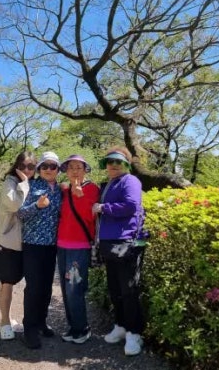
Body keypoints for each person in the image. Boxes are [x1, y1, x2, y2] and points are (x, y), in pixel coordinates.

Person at [92, 146, 146, 356]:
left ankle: (134, 333)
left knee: (128, 290)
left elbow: (131, 206)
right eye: (109, 162)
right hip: (109, 243)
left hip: (126, 242)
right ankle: (121, 326)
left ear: (126, 164)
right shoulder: (111, 183)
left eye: (118, 162)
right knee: (115, 288)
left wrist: (104, 208)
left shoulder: (130, 181)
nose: (113, 165)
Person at [0, 151, 36, 340]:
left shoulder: (30, 183)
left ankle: (6, 320)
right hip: (5, 240)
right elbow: (15, 204)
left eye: (31, 167)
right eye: (23, 166)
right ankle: (5, 322)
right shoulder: (11, 183)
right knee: (7, 281)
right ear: (16, 166)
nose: (27, 170)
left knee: (12, 280)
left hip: (19, 242)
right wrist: (24, 183)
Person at [16, 151, 63, 349]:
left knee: (46, 287)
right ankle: (29, 329)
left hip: (51, 246)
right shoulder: (31, 186)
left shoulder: (61, 190)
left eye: (53, 166)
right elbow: (19, 213)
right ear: (39, 169)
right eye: (44, 166)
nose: (48, 169)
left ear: (58, 169)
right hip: (32, 245)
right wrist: (37, 205)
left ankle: (42, 322)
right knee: (34, 287)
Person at [56, 154, 100, 344]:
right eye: (71, 167)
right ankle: (73, 327)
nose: (74, 170)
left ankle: (82, 329)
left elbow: (90, 217)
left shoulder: (92, 188)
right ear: (66, 171)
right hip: (61, 246)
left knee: (75, 288)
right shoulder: (64, 190)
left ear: (85, 170)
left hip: (79, 247)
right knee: (66, 288)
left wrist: (80, 195)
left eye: (79, 167)